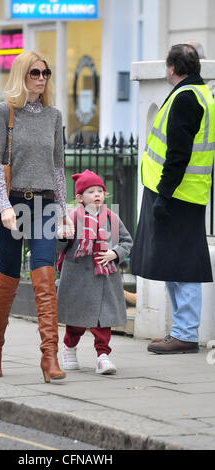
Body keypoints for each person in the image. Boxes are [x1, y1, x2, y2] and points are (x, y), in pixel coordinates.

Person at [0, 51, 74, 382]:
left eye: (46, 73)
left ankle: (49, 357)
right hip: (11, 205)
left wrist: (64, 212)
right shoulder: (5, 112)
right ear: (21, 75)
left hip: (44, 205)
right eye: (34, 72)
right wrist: (4, 206)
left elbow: (57, 168)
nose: (41, 78)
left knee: (45, 279)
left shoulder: (53, 116)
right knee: (7, 280)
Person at [131, 44, 215, 354]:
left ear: (170, 68)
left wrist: (164, 195)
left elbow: (178, 155)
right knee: (174, 263)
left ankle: (185, 334)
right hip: (185, 193)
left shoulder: (186, 98)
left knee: (181, 265)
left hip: (176, 194)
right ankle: (181, 332)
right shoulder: (202, 94)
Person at [56, 170, 133, 374]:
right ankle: (69, 349)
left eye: (100, 190)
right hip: (78, 280)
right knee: (76, 322)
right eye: (91, 191)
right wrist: (62, 236)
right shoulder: (71, 217)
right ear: (80, 197)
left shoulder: (111, 218)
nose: (97, 194)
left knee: (103, 321)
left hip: (104, 278)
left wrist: (115, 253)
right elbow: (59, 246)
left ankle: (103, 356)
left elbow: (127, 241)